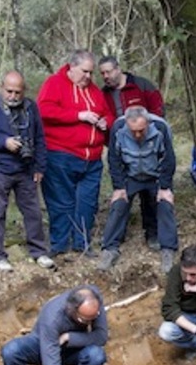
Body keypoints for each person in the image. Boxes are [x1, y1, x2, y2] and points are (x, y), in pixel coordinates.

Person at [0, 71, 53, 272]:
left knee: (33, 212)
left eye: (17, 92)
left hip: (26, 169)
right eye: (9, 91)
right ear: (1, 87)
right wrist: (3, 142)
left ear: (23, 91)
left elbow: (40, 138)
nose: (13, 96)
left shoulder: (31, 107)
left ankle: (39, 251)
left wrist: (40, 167)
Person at [37, 50, 113, 258]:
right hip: (61, 154)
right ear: (71, 67)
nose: (88, 76)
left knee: (87, 202)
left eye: (91, 72)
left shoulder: (94, 90)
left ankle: (82, 243)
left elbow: (106, 112)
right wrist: (78, 115)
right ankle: (59, 245)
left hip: (92, 158)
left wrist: (106, 121)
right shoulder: (54, 84)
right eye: (84, 71)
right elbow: (43, 111)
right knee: (61, 202)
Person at [1, 285, 108, 365]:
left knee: (96, 355)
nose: (91, 322)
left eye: (94, 318)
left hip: (70, 348)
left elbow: (101, 337)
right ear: (72, 311)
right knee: (11, 351)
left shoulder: (94, 299)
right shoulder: (52, 318)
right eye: (86, 320)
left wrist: (69, 337)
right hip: (43, 346)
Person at [96, 106, 178, 274]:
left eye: (141, 130)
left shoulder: (160, 128)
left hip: (154, 175)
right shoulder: (118, 129)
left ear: (147, 123)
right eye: (133, 131)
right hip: (130, 176)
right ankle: (109, 249)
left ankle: (167, 249)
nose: (138, 135)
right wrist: (119, 187)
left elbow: (169, 159)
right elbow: (114, 158)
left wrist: (164, 187)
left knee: (165, 204)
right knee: (118, 204)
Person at [99, 55, 167, 250]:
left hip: (147, 145)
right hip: (121, 149)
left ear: (118, 69)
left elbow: (158, 111)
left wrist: (151, 135)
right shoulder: (103, 94)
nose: (106, 76)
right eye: (102, 73)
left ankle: (152, 234)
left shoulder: (141, 85)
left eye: (109, 71)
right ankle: (115, 238)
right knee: (122, 193)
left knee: (150, 195)